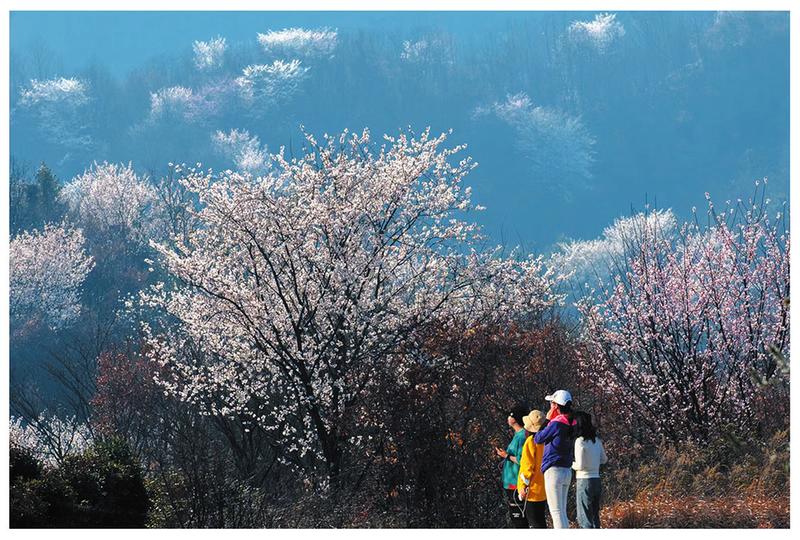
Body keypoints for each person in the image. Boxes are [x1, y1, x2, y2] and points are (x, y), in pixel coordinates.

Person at [534, 390, 577, 529]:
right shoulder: (572, 423)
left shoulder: (556, 424)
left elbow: (538, 438)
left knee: (556, 512)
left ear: (557, 406)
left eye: (552, 403)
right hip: (566, 470)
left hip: (553, 471)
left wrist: (547, 419)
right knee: (562, 512)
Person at [572, 411, 608, 528]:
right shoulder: (596, 440)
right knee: (594, 516)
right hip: (596, 479)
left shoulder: (579, 441)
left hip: (584, 480)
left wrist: (570, 463)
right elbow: (604, 459)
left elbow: (580, 465)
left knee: (584, 518)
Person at [495, 403, 528, 528]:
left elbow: (522, 460)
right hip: (512, 482)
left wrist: (506, 456)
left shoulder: (522, 436)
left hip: (516, 482)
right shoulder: (518, 435)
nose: (508, 418)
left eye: (510, 415)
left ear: (515, 418)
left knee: (519, 518)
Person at [516, 409, 548, 528]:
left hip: (532, 490)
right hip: (545, 487)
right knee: (541, 521)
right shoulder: (547, 440)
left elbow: (527, 467)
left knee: (535, 523)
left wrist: (522, 487)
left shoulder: (531, 441)